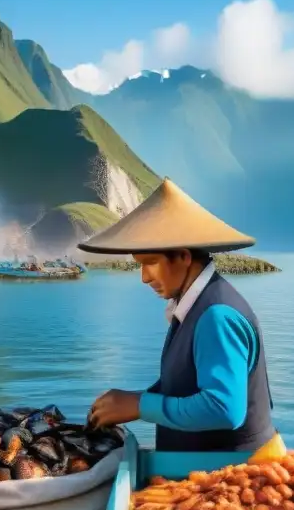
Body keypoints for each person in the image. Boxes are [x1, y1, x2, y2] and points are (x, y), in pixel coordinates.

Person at [83, 177, 274, 452]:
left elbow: (224, 409)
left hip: (227, 478)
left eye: (151, 263)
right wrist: (133, 400)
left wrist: (139, 405)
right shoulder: (193, 305)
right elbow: (186, 384)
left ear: (184, 256)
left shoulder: (216, 316)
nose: (144, 278)